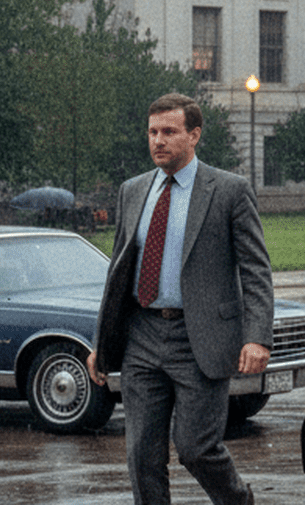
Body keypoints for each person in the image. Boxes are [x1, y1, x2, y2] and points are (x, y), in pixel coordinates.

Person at [87, 93, 273, 505]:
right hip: (142, 335)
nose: (158, 141)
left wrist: (257, 336)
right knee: (141, 454)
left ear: (194, 135)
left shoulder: (228, 191)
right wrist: (102, 343)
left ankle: (238, 500)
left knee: (195, 447)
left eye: (169, 132)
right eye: (152, 132)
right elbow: (118, 276)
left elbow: (256, 270)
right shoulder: (132, 191)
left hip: (199, 337)